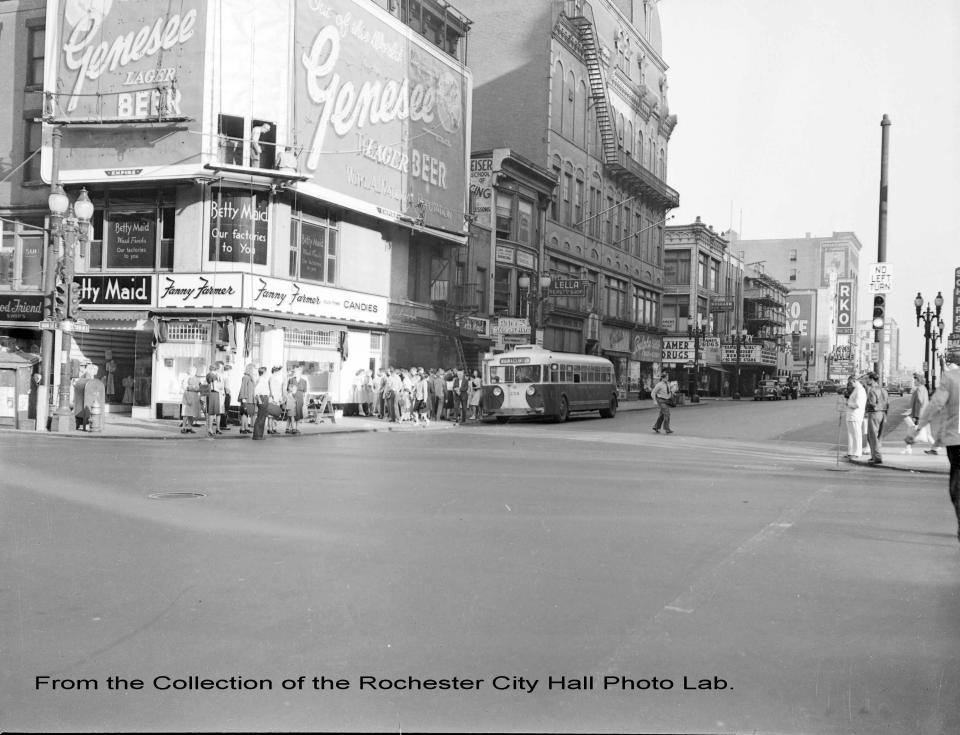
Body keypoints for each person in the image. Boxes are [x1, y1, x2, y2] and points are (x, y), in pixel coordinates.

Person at [906, 346, 960, 544]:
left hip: (957, 440)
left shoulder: (951, 378)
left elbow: (935, 405)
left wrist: (917, 429)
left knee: (957, 487)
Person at [864, 372, 888, 465]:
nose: (866, 380)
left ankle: (877, 457)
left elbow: (872, 403)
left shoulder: (872, 390)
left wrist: (866, 409)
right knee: (878, 436)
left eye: (867, 379)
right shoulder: (883, 390)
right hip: (883, 413)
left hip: (874, 414)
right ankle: (873, 456)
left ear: (871, 379)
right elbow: (887, 404)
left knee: (872, 436)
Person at [845, 374, 866, 459]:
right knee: (851, 435)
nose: (850, 385)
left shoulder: (860, 390)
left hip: (856, 416)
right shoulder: (856, 389)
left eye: (851, 382)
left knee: (856, 435)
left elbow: (858, 405)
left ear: (855, 381)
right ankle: (851, 452)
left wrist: (848, 404)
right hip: (851, 415)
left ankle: (857, 452)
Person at [205, 362, 224, 437]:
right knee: (213, 412)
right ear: (216, 369)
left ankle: (210, 428)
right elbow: (215, 387)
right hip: (215, 394)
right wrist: (221, 391)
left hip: (210, 394)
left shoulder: (208, 375)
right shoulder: (214, 376)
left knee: (211, 412)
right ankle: (210, 429)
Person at [180, 365, 200, 434]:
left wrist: (195, 388)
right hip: (187, 397)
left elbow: (198, 388)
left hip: (194, 397)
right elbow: (185, 388)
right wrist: (188, 399)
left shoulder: (196, 378)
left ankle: (190, 427)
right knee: (186, 413)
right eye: (193, 370)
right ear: (190, 371)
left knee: (192, 414)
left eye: (195, 370)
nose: (194, 372)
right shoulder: (186, 378)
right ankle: (183, 427)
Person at [238, 363, 257, 435]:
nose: (255, 371)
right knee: (244, 413)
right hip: (246, 398)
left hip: (251, 398)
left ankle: (246, 427)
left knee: (247, 413)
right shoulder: (246, 377)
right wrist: (243, 398)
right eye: (254, 369)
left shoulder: (250, 378)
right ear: (250, 369)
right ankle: (242, 428)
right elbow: (243, 388)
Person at [252, 367, 270, 440]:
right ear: (264, 372)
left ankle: (259, 435)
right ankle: (257, 435)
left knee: (262, 417)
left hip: (264, 398)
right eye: (266, 372)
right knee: (261, 417)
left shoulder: (262, 379)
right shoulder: (261, 379)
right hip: (262, 398)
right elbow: (256, 391)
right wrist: (259, 400)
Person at [220, 363, 235, 431]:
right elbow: (226, 387)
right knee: (225, 409)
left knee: (224, 409)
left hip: (224, 394)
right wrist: (229, 393)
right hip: (226, 394)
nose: (231, 372)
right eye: (230, 370)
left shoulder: (223, 375)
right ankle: (223, 425)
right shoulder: (226, 377)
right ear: (228, 370)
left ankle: (222, 424)